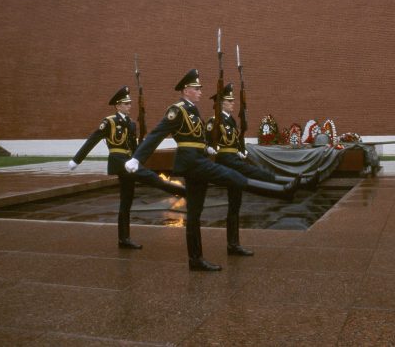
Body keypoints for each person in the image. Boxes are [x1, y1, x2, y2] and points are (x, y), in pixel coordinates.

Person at [125, 69, 299, 271]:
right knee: (233, 176)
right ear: (186, 90)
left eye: (199, 88)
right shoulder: (178, 110)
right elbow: (156, 134)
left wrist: (207, 146)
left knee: (195, 213)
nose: (200, 91)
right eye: (196, 88)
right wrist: (137, 158)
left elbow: (197, 137)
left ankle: (195, 260)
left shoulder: (193, 110)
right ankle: (281, 192)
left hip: (198, 159)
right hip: (192, 161)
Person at [206, 83, 318, 256]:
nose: (232, 103)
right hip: (225, 161)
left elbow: (235, 140)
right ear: (221, 103)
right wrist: (209, 148)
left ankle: (233, 245)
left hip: (233, 158)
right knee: (255, 173)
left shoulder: (230, 120)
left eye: (233, 100)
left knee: (235, 205)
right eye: (229, 100)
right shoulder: (214, 121)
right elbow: (207, 141)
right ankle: (296, 184)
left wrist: (241, 150)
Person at [68, 85, 186, 249]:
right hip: (118, 161)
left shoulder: (131, 123)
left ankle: (124, 239)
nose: (130, 106)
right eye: (126, 103)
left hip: (129, 163)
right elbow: (92, 140)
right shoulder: (109, 122)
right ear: (118, 106)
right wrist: (77, 160)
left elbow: (134, 146)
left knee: (126, 201)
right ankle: (183, 192)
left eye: (130, 103)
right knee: (153, 178)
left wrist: (140, 150)